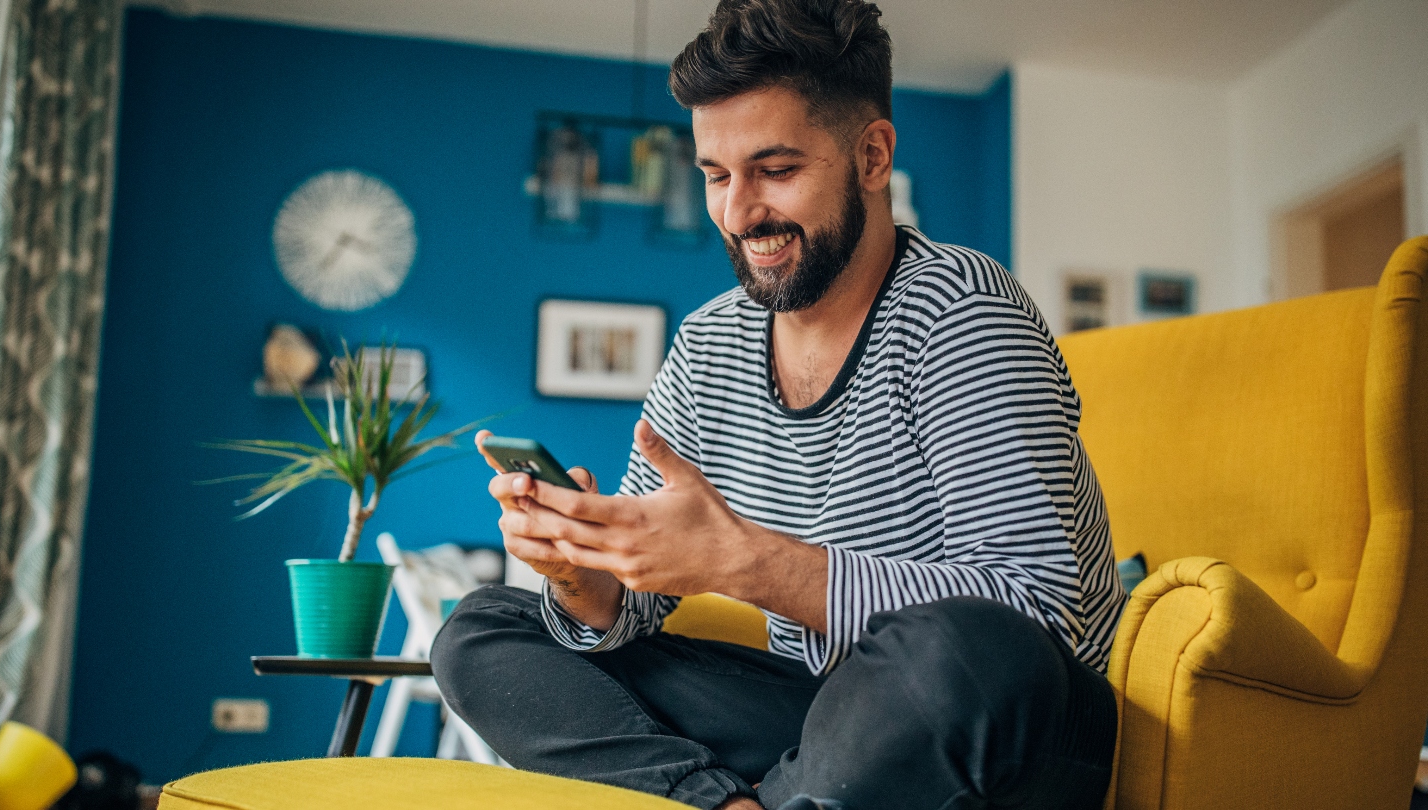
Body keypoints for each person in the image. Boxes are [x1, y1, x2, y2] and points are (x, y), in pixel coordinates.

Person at [431, 1, 1126, 808]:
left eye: (776, 170)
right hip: (832, 712)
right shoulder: (708, 345)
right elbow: (634, 611)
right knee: (483, 630)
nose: (736, 213)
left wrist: (745, 563)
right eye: (716, 176)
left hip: (1009, 717)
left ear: (872, 156)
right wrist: (585, 575)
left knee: (959, 644)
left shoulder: (962, 313)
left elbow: (1036, 617)